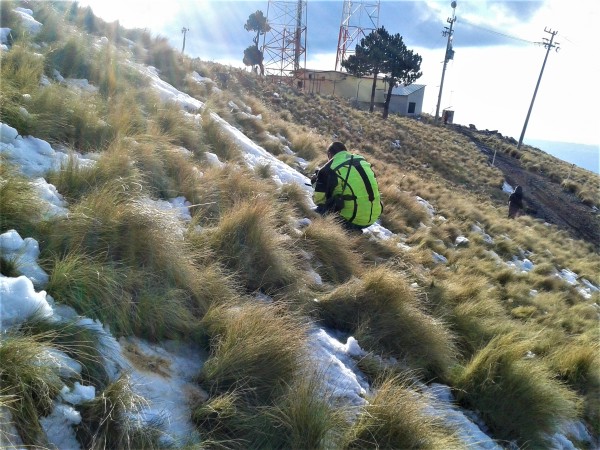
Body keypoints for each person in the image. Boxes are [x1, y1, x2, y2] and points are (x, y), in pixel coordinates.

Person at [311, 141, 382, 231]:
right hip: (373, 219)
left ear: (329, 154)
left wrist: (316, 184)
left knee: (316, 212)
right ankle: (353, 230)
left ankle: (349, 230)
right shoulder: (361, 160)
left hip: (353, 220)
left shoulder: (326, 170)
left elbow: (319, 201)